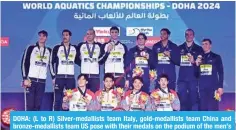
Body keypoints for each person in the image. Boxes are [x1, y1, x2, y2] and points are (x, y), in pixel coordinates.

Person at [21, 30, 53, 111]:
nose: (41, 37)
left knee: (38, 105)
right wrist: (25, 78)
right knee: (30, 105)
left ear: (46, 38)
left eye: (43, 36)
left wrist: (54, 77)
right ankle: (28, 123)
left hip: (42, 82)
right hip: (31, 81)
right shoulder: (31, 48)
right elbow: (24, 63)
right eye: (40, 35)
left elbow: (51, 65)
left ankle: (35, 123)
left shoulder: (49, 50)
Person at [50, 29, 79, 111]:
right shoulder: (57, 48)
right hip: (59, 78)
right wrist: (53, 77)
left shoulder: (74, 48)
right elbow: (51, 62)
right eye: (63, 35)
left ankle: (70, 119)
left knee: (71, 100)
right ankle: (55, 119)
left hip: (70, 78)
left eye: (66, 35)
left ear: (70, 36)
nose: (64, 36)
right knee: (57, 100)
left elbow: (79, 61)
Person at [76, 29, 109, 93]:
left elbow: (101, 60)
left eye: (91, 34)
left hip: (95, 76)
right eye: (87, 34)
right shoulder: (81, 45)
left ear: (94, 35)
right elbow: (76, 58)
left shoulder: (99, 46)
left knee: (94, 96)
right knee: (83, 95)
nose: (89, 36)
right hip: (84, 76)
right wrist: (83, 63)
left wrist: (106, 53)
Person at [195, 39, 224, 111]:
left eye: (206, 44)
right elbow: (196, 74)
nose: (204, 45)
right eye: (203, 44)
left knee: (213, 107)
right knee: (202, 108)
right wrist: (196, 65)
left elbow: (221, 72)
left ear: (210, 45)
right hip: (202, 87)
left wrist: (220, 86)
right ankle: (203, 122)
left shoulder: (216, 57)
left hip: (213, 87)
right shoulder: (199, 58)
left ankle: (214, 122)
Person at [177, 29, 202, 111]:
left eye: (190, 34)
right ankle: (183, 118)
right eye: (187, 34)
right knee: (182, 100)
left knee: (193, 100)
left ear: (193, 36)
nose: (188, 36)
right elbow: (175, 60)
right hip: (182, 78)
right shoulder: (179, 48)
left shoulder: (199, 49)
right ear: (185, 36)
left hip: (193, 78)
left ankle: (192, 118)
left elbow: (201, 64)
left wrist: (194, 61)